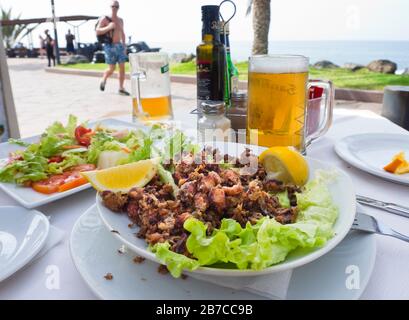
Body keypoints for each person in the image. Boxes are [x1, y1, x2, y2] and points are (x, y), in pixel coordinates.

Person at [95, 1, 129, 95]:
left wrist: (124, 46)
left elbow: (122, 33)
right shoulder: (105, 19)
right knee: (111, 69)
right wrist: (108, 27)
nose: (114, 8)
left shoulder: (121, 20)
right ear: (110, 7)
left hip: (119, 46)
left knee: (122, 67)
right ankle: (104, 79)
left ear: (119, 8)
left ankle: (121, 88)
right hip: (109, 47)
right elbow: (97, 31)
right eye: (113, 6)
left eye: (116, 7)